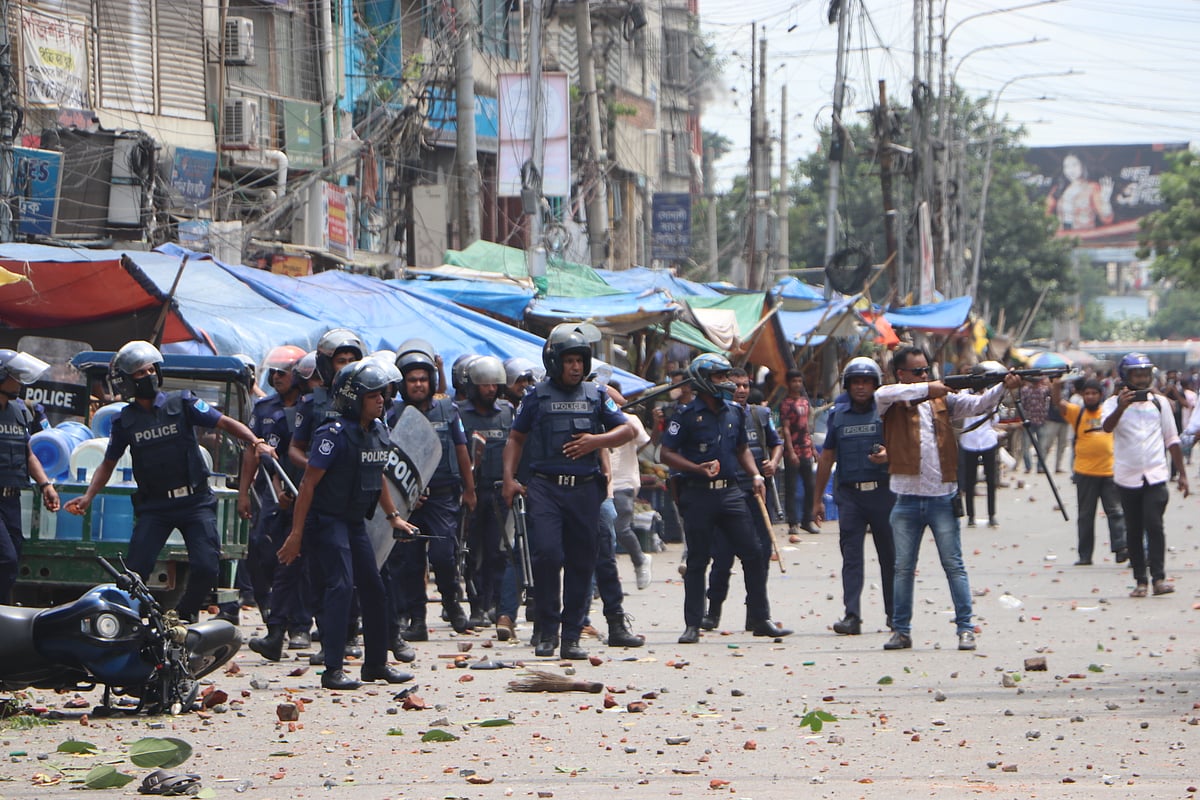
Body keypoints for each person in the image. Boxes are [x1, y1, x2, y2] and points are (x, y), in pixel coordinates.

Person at [65, 341, 275, 622]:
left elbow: (224, 423)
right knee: (134, 572)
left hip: (195, 502)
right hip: (155, 507)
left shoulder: (183, 402)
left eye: (152, 369)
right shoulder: (125, 421)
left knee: (206, 566)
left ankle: (182, 617)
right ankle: (130, 623)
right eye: (140, 373)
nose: (149, 376)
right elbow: (108, 463)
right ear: (127, 381)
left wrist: (255, 440)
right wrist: (88, 496)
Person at [276, 361, 417, 690]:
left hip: (355, 521)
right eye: (372, 396)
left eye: (382, 394)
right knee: (340, 587)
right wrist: (296, 535)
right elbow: (309, 484)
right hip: (327, 521)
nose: (380, 400)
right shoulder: (332, 434)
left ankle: (376, 665)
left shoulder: (378, 431)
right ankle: (333, 669)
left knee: (374, 588)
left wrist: (393, 514)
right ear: (354, 399)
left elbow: (377, 474)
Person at [873, 345, 1021, 652]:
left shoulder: (942, 400)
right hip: (906, 497)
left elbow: (977, 404)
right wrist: (928, 387)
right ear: (901, 374)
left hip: (942, 495)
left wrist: (1002, 388)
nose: (925, 375)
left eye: (927, 370)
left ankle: (965, 628)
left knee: (954, 565)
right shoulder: (890, 397)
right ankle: (901, 630)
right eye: (918, 371)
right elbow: (884, 395)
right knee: (902, 568)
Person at [501, 325, 635, 660]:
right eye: (569, 360)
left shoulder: (596, 395)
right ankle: (546, 631)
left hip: (585, 491)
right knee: (547, 555)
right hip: (545, 487)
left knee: (582, 562)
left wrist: (596, 441)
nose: (575, 367)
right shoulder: (536, 396)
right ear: (553, 361)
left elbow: (626, 429)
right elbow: (516, 438)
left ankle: (571, 635)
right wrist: (508, 478)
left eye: (580, 360)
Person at [660, 353, 792, 644]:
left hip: (732, 492)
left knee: (754, 553)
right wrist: (696, 468)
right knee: (697, 560)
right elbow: (666, 453)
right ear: (703, 381)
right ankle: (693, 624)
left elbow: (742, 447)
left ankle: (760, 618)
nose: (727, 384)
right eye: (719, 378)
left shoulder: (736, 412)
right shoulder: (684, 415)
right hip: (697, 494)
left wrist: (755, 474)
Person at [389, 345, 476, 640]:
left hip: (443, 495)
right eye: (412, 380)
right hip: (408, 498)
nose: (418, 385)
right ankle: (416, 619)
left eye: (423, 379)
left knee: (443, 555)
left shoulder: (447, 409)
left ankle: (452, 603)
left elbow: (462, 449)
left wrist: (469, 489)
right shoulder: (392, 414)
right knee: (410, 560)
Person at [812, 357, 895, 636]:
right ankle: (852, 615)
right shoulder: (838, 415)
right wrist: (816, 500)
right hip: (850, 496)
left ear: (876, 385)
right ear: (848, 385)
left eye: (867, 382)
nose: (861, 387)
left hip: (883, 493)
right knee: (851, 557)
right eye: (856, 382)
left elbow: (904, 448)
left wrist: (888, 456)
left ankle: (895, 614)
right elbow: (826, 458)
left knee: (890, 557)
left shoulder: (887, 412)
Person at [241, 345, 313, 660]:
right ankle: (272, 616)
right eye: (273, 371)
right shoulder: (264, 408)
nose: (276, 377)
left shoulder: (309, 407)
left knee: (299, 561)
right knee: (262, 552)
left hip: (301, 491)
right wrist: (244, 491)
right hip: (269, 494)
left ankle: (298, 625)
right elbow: (251, 451)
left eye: (282, 372)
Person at [702, 368, 783, 631]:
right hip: (727, 493)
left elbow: (776, 442)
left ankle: (758, 614)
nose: (741, 390)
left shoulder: (760, 414)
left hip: (756, 493)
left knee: (760, 553)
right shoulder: (718, 417)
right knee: (722, 557)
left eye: (745, 385)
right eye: (736, 385)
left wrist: (772, 463)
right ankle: (712, 612)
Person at [1101, 353, 1188, 597]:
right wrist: (1121, 407)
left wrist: (1182, 474)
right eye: (1136, 375)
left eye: (1145, 374)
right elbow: (1107, 428)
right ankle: (1141, 580)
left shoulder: (1160, 404)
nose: (1141, 379)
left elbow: (1172, 439)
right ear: (1126, 377)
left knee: (1154, 524)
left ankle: (1159, 578)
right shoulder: (1112, 404)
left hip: (1156, 474)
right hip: (1127, 476)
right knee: (1134, 529)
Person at [456, 355, 513, 629]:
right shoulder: (459, 414)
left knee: (497, 551)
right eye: (485, 384)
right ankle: (476, 605)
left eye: (495, 384)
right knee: (472, 552)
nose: (491, 389)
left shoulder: (506, 412)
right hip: (471, 492)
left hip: (499, 493)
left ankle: (496, 604)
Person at [0, 350, 60, 602]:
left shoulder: (19, 411)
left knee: (14, 556)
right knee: (6, 558)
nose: (21, 382)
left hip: (11, 500)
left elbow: (28, 454)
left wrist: (45, 484)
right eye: (16, 376)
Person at [1051, 377, 1128, 567]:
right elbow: (1057, 403)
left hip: (1109, 471)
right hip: (1084, 472)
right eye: (1087, 394)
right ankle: (1085, 555)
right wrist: (1056, 386)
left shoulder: (1108, 413)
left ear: (1100, 395)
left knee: (1116, 512)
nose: (1090, 396)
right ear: (1082, 396)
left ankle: (1120, 548)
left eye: (1094, 393)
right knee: (1086, 516)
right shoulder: (1077, 412)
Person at [605, 381, 653, 590]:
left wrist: (619, 409)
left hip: (624, 481)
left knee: (620, 527)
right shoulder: (595, 415)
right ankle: (602, 580)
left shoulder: (629, 419)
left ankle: (640, 560)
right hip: (602, 482)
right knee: (603, 532)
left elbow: (642, 439)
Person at [957, 362, 1005, 528]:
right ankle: (971, 516)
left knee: (991, 480)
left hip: (987, 439)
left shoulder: (991, 395)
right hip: (969, 440)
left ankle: (992, 515)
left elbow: (995, 419)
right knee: (970, 481)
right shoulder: (963, 394)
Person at [780, 369, 819, 539]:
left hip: (806, 450)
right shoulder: (786, 404)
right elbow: (786, 430)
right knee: (791, 487)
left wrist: (814, 449)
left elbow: (807, 428)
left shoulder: (804, 402)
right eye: (794, 381)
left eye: (799, 381)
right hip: (792, 451)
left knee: (810, 486)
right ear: (788, 383)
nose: (797, 384)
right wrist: (790, 451)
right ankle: (793, 522)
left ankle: (806, 520)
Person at [1045, 153, 1114, 232]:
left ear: (1083, 165)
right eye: (1067, 166)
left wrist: (1105, 201)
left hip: (1085, 236)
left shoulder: (1092, 187)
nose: (1070, 170)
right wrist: (1050, 226)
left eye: (1074, 165)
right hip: (1062, 237)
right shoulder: (1058, 188)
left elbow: (1107, 219)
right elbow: (1045, 211)